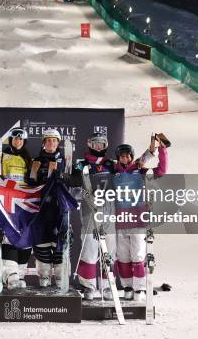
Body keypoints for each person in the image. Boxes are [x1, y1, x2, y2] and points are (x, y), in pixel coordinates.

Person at [114, 133, 169, 301]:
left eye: (128, 156)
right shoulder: (113, 171)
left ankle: (139, 289)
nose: (125, 159)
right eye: (122, 156)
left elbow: (161, 171)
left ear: (131, 157)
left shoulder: (140, 170)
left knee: (138, 256)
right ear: (118, 158)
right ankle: (128, 287)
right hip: (120, 221)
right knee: (123, 257)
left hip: (137, 220)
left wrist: (162, 149)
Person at [73, 132, 117, 300]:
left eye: (101, 144)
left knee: (110, 251)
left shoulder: (111, 164)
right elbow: (75, 188)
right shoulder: (82, 165)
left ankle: (107, 286)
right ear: (89, 144)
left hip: (109, 212)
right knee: (89, 250)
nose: (98, 147)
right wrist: (86, 195)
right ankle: (89, 287)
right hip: (90, 211)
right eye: (95, 144)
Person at [29, 128, 66, 288]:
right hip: (41, 208)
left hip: (59, 208)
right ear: (44, 143)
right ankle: (43, 277)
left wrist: (65, 177)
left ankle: (59, 277)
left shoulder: (65, 160)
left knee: (59, 242)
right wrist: (34, 178)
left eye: (54, 140)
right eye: (48, 140)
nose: (51, 143)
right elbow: (30, 182)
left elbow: (75, 182)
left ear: (58, 143)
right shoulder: (36, 161)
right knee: (42, 241)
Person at [0, 127, 33, 289]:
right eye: (15, 139)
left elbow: (34, 180)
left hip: (26, 204)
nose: (18, 141)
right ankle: (10, 274)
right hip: (9, 203)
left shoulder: (29, 160)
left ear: (24, 141)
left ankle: (19, 275)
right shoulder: (3, 156)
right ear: (11, 140)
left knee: (26, 240)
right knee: (10, 237)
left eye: (20, 139)